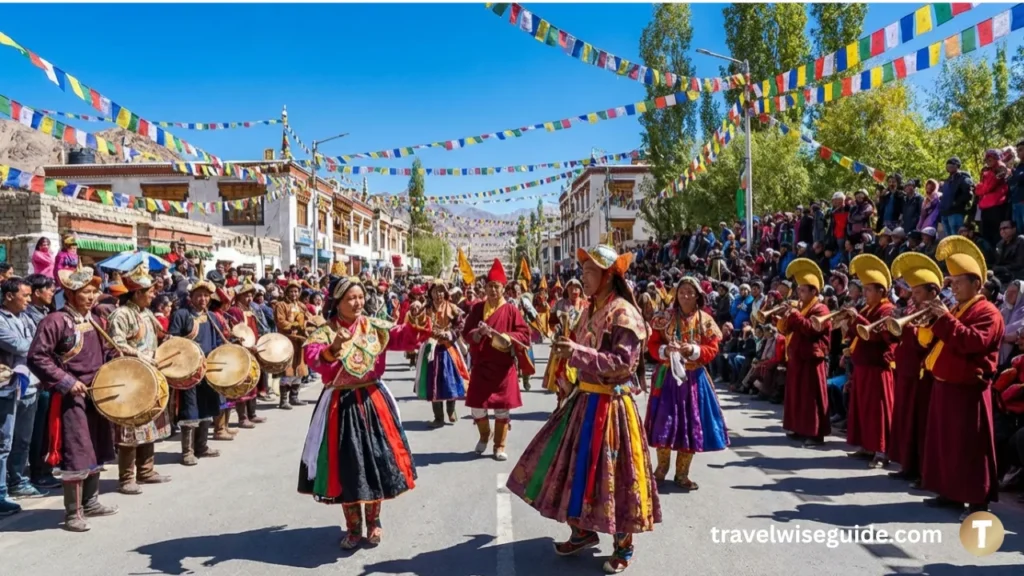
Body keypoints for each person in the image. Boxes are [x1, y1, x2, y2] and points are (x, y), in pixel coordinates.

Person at [507, 245, 658, 575]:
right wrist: (566, 364)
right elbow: (578, 353)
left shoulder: (624, 314)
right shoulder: (589, 310)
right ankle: (582, 530)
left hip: (613, 405)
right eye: (583, 272)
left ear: (607, 276)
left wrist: (576, 352)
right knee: (573, 468)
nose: (582, 279)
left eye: (589, 273)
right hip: (584, 400)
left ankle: (623, 544)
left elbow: (623, 365)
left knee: (614, 474)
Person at [299, 276, 426, 550]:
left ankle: (375, 522)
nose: (357, 303)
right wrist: (334, 347)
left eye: (360, 298)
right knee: (347, 467)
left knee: (376, 463)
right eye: (351, 299)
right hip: (339, 405)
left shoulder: (374, 327)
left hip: (372, 401)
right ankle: (354, 528)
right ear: (338, 302)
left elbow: (403, 336)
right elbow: (313, 357)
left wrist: (415, 318)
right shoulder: (325, 331)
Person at [28, 266, 117, 532]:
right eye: (85, 292)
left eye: (93, 292)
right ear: (69, 292)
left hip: (97, 394)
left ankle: (91, 502)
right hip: (71, 398)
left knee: (96, 446)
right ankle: (73, 513)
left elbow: (108, 353)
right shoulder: (55, 321)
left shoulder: (96, 321)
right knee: (76, 451)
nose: (91, 297)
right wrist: (66, 382)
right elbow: (36, 357)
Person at [920, 235, 1002, 521]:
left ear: (977, 285)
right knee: (947, 443)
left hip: (969, 389)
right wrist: (931, 321)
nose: (952, 288)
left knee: (971, 445)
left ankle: (978, 501)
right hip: (945, 384)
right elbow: (939, 340)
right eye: (951, 282)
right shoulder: (956, 309)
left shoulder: (988, 312)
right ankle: (950, 492)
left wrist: (944, 319)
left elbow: (974, 343)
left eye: (958, 282)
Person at [646, 276, 730, 489]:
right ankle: (661, 469)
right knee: (664, 423)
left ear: (698, 296)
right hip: (667, 377)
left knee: (690, 425)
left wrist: (694, 350)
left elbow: (713, 348)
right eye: (682, 292)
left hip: (693, 380)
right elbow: (653, 344)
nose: (685, 296)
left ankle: (682, 474)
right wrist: (666, 350)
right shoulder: (664, 317)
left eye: (690, 292)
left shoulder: (705, 320)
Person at [105, 263, 172, 494]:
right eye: (150, 291)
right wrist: (141, 356)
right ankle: (126, 478)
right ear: (137, 293)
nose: (154, 295)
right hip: (131, 377)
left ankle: (146, 470)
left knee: (149, 422)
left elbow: (159, 335)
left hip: (151, 374)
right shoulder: (121, 315)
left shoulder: (146, 313)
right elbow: (116, 344)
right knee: (131, 429)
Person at [461, 259, 531, 462]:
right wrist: (478, 333)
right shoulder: (477, 309)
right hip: (481, 365)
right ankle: (484, 434)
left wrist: (507, 337)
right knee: (477, 406)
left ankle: (499, 445)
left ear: (503, 288)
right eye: (490, 286)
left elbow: (524, 334)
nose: (492, 290)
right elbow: (466, 332)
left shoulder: (510, 310)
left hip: (503, 367)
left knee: (502, 408)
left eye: (496, 286)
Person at [886, 252, 942, 486]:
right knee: (906, 421)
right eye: (914, 292)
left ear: (933, 293)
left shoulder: (937, 314)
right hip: (906, 372)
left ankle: (922, 471)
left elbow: (925, 343)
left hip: (923, 376)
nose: (915, 297)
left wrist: (912, 327)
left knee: (920, 424)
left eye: (919, 293)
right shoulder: (914, 311)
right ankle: (907, 465)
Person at [0, 277, 47, 517]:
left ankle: (17, 481)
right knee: (3, 442)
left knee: (23, 439)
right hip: (7, 386)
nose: (28, 300)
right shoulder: (1, 320)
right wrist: (37, 345)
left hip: (30, 384)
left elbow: (39, 341)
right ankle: (2, 491)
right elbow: (22, 346)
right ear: (9, 296)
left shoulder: (25, 317)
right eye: (25, 296)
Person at [844, 253, 896, 469]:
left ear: (881, 292)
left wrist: (857, 318)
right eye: (864, 289)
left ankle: (882, 451)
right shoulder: (867, 308)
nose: (864, 294)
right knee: (863, 408)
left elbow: (877, 335)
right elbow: (859, 332)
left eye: (868, 290)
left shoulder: (888, 310)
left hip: (878, 367)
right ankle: (867, 445)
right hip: (863, 366)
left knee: (878, 410)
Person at [169, 280, 226, 465]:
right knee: (190, 408)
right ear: (191, 297)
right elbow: (174, 342)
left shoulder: (212, 317)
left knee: (207, 406)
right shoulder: (182, 315)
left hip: (207, 369)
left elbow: (217, 342)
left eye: (206, 296)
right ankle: (187, 451)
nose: (203, 299)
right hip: (189, 370)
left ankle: (202, 446)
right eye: (199, 295)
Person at [778, 258, 832, 446]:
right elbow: (786, 330)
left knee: (811, 396)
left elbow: (812, 329)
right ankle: (800, 428)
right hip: (797, 357)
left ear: (813, 291)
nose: (799, 294)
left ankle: (816, 433)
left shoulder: (821, 308)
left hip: (812, 358)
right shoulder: (800, 308)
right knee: (797, 395)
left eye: (803, 290)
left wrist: (795, 315)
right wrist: (784, 317)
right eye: (798, 290)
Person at [414, 281, 468, 428]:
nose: (438, 294)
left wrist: (449, 334)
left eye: (441, 291)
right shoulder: (426, 308)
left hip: (448, 349)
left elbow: (460, 325)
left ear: (445, 293)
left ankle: (451, 410)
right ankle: (438, 417)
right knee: (433, 383)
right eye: (435, 291)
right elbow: (416, 323)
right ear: (430, 293)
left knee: (450, 381)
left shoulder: (452, 308)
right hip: (431, 350)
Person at [231, 281, 269, 426]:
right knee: (243, 384)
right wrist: (247, 346)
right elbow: (238, 333)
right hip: (243, 351)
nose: (249, 298)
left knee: (253, 382)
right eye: (246, 295)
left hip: (253, 349)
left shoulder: (250, 310)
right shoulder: (236, 311)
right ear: (239, 296)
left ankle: (252, 414)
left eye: (251, 295)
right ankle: (242, 417)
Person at [544, 278, 588, 399]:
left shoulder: (586, 304)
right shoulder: (560, 304)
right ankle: (561, 401)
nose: (574, 291)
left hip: (581, 345)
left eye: (577, 288)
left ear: (581, 290)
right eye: (571, 288)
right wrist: (556, 329)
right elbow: (551, 322)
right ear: (567, 289)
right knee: (562, 375)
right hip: (563, 344)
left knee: (579, 378)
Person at [274, 279, 309, 409]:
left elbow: (307, 318)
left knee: (299, 369)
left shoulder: (301, 306)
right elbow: (280, 321)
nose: (294, 294)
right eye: (291, 291)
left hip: (300, 341)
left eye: (296, 291)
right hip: (287, 341)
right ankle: (283, 400)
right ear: (287, 292)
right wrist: (293, 325)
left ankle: (294, 397)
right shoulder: (281, 305)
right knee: (287, 371)